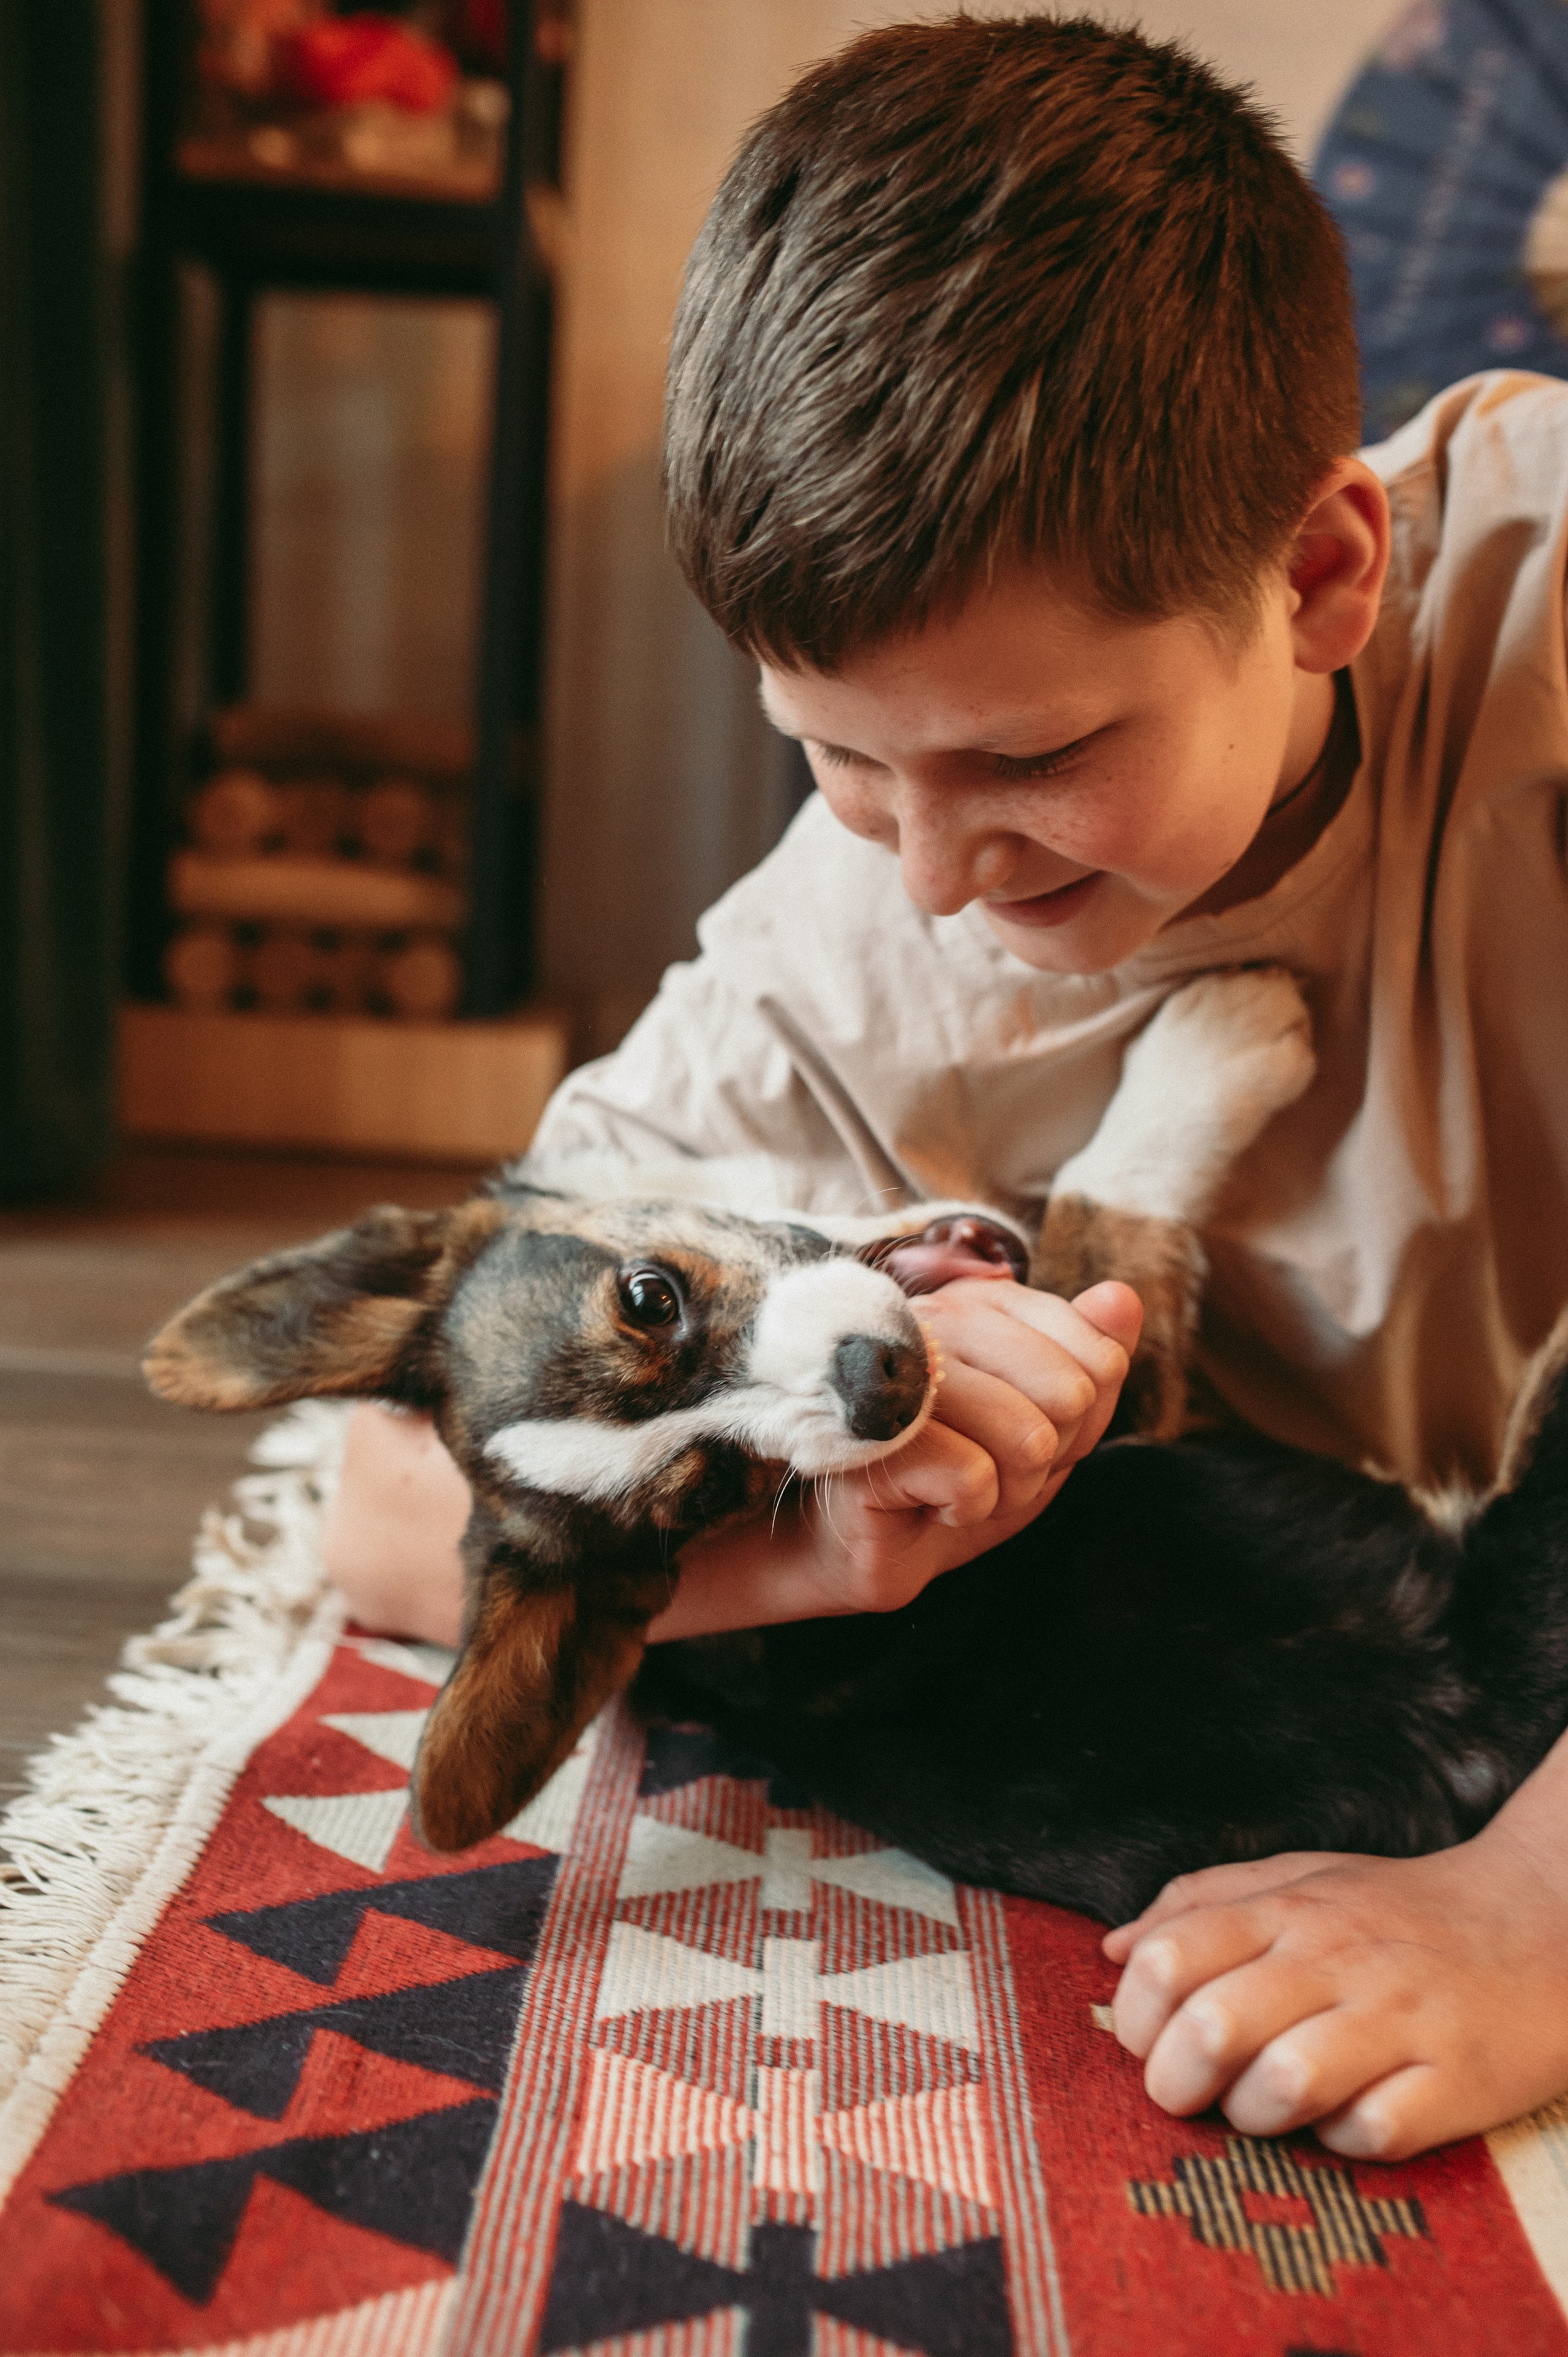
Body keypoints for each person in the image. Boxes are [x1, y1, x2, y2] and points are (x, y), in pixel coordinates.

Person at [324, 14, 1568, 2162]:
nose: (937, 871)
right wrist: (824, 1560)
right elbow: (381, 1501)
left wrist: (1525, 1916)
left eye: (1032, 757)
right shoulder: (840, 953)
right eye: (833, 752)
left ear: (1321, 575)